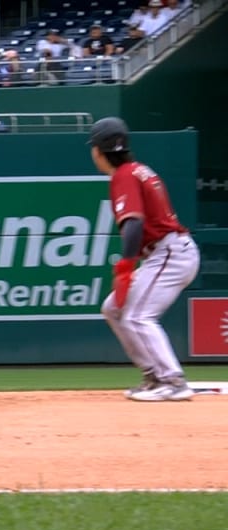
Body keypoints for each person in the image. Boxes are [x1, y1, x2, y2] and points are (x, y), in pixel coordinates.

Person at [90, 117, 199, 402]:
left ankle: (173, 381)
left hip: (170, 253)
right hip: (167, 252)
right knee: (113, 308)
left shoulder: (124, 175)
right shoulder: (138, 170)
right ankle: (152, 375)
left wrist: (126, 266)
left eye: (94, 148)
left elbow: (135, 223)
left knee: (139, 316)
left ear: (100, 150)